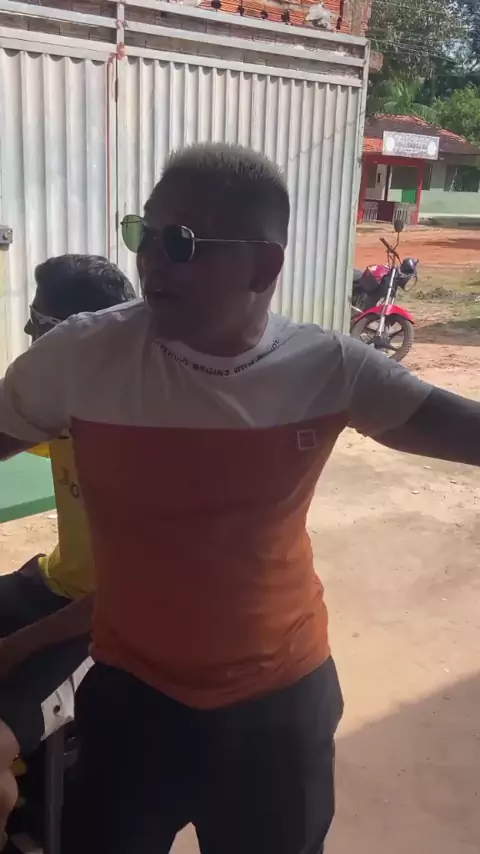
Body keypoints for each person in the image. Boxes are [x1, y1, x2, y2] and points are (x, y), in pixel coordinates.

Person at [0, 144, 478, 854]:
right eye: (144, 233)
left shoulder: (329, 368)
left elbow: (462, 427)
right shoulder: (81, 356)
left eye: (181, 242)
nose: (152, 260)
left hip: (279, 710)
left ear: (264, 267)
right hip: (130, 698)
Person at [0, 255, 134, 853]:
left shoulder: (147, 435)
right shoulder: (61, 403)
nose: (29, 337)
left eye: (39, 325)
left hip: (105, 623)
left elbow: (131, 593)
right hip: (51, 582)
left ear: (83, 336)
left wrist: (16, 647)